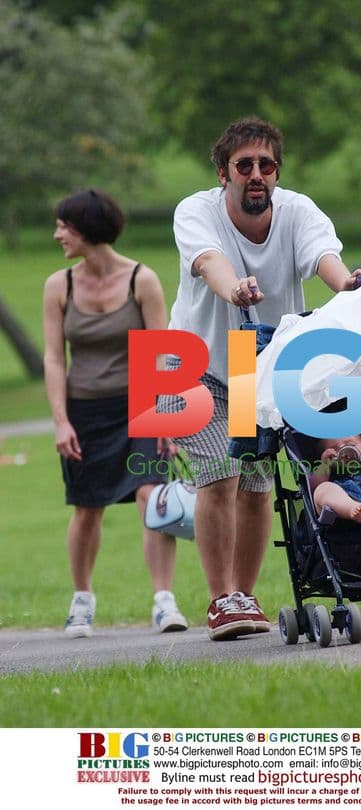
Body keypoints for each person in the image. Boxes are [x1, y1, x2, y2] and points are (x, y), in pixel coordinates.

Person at [158, 117, 361, 641]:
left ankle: (244, 596)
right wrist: (235, 290)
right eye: (244, 165)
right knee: (219, 475)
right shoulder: (196, 210)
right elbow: (209, 262)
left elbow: (323, 256)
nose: (256, 174)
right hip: (187, 358)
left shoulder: (298, 211)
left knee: (256, 486)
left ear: (278, 171)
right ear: (222, 171)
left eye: (266, 165)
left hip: (256, 359)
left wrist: (346, 284)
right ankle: (219, 598)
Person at [43, 189, 188, 638]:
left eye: (64, 226)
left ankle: (164, 601)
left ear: (86, 229)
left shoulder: (140, 280)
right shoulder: (58, 285)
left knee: (153, 498)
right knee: (87, 509)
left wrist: (166, 416)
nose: (57, 235)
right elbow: (54, 357)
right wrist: (61, 420)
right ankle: (82, 601)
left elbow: (163, 352)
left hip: (141, 405)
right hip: (85, 410)